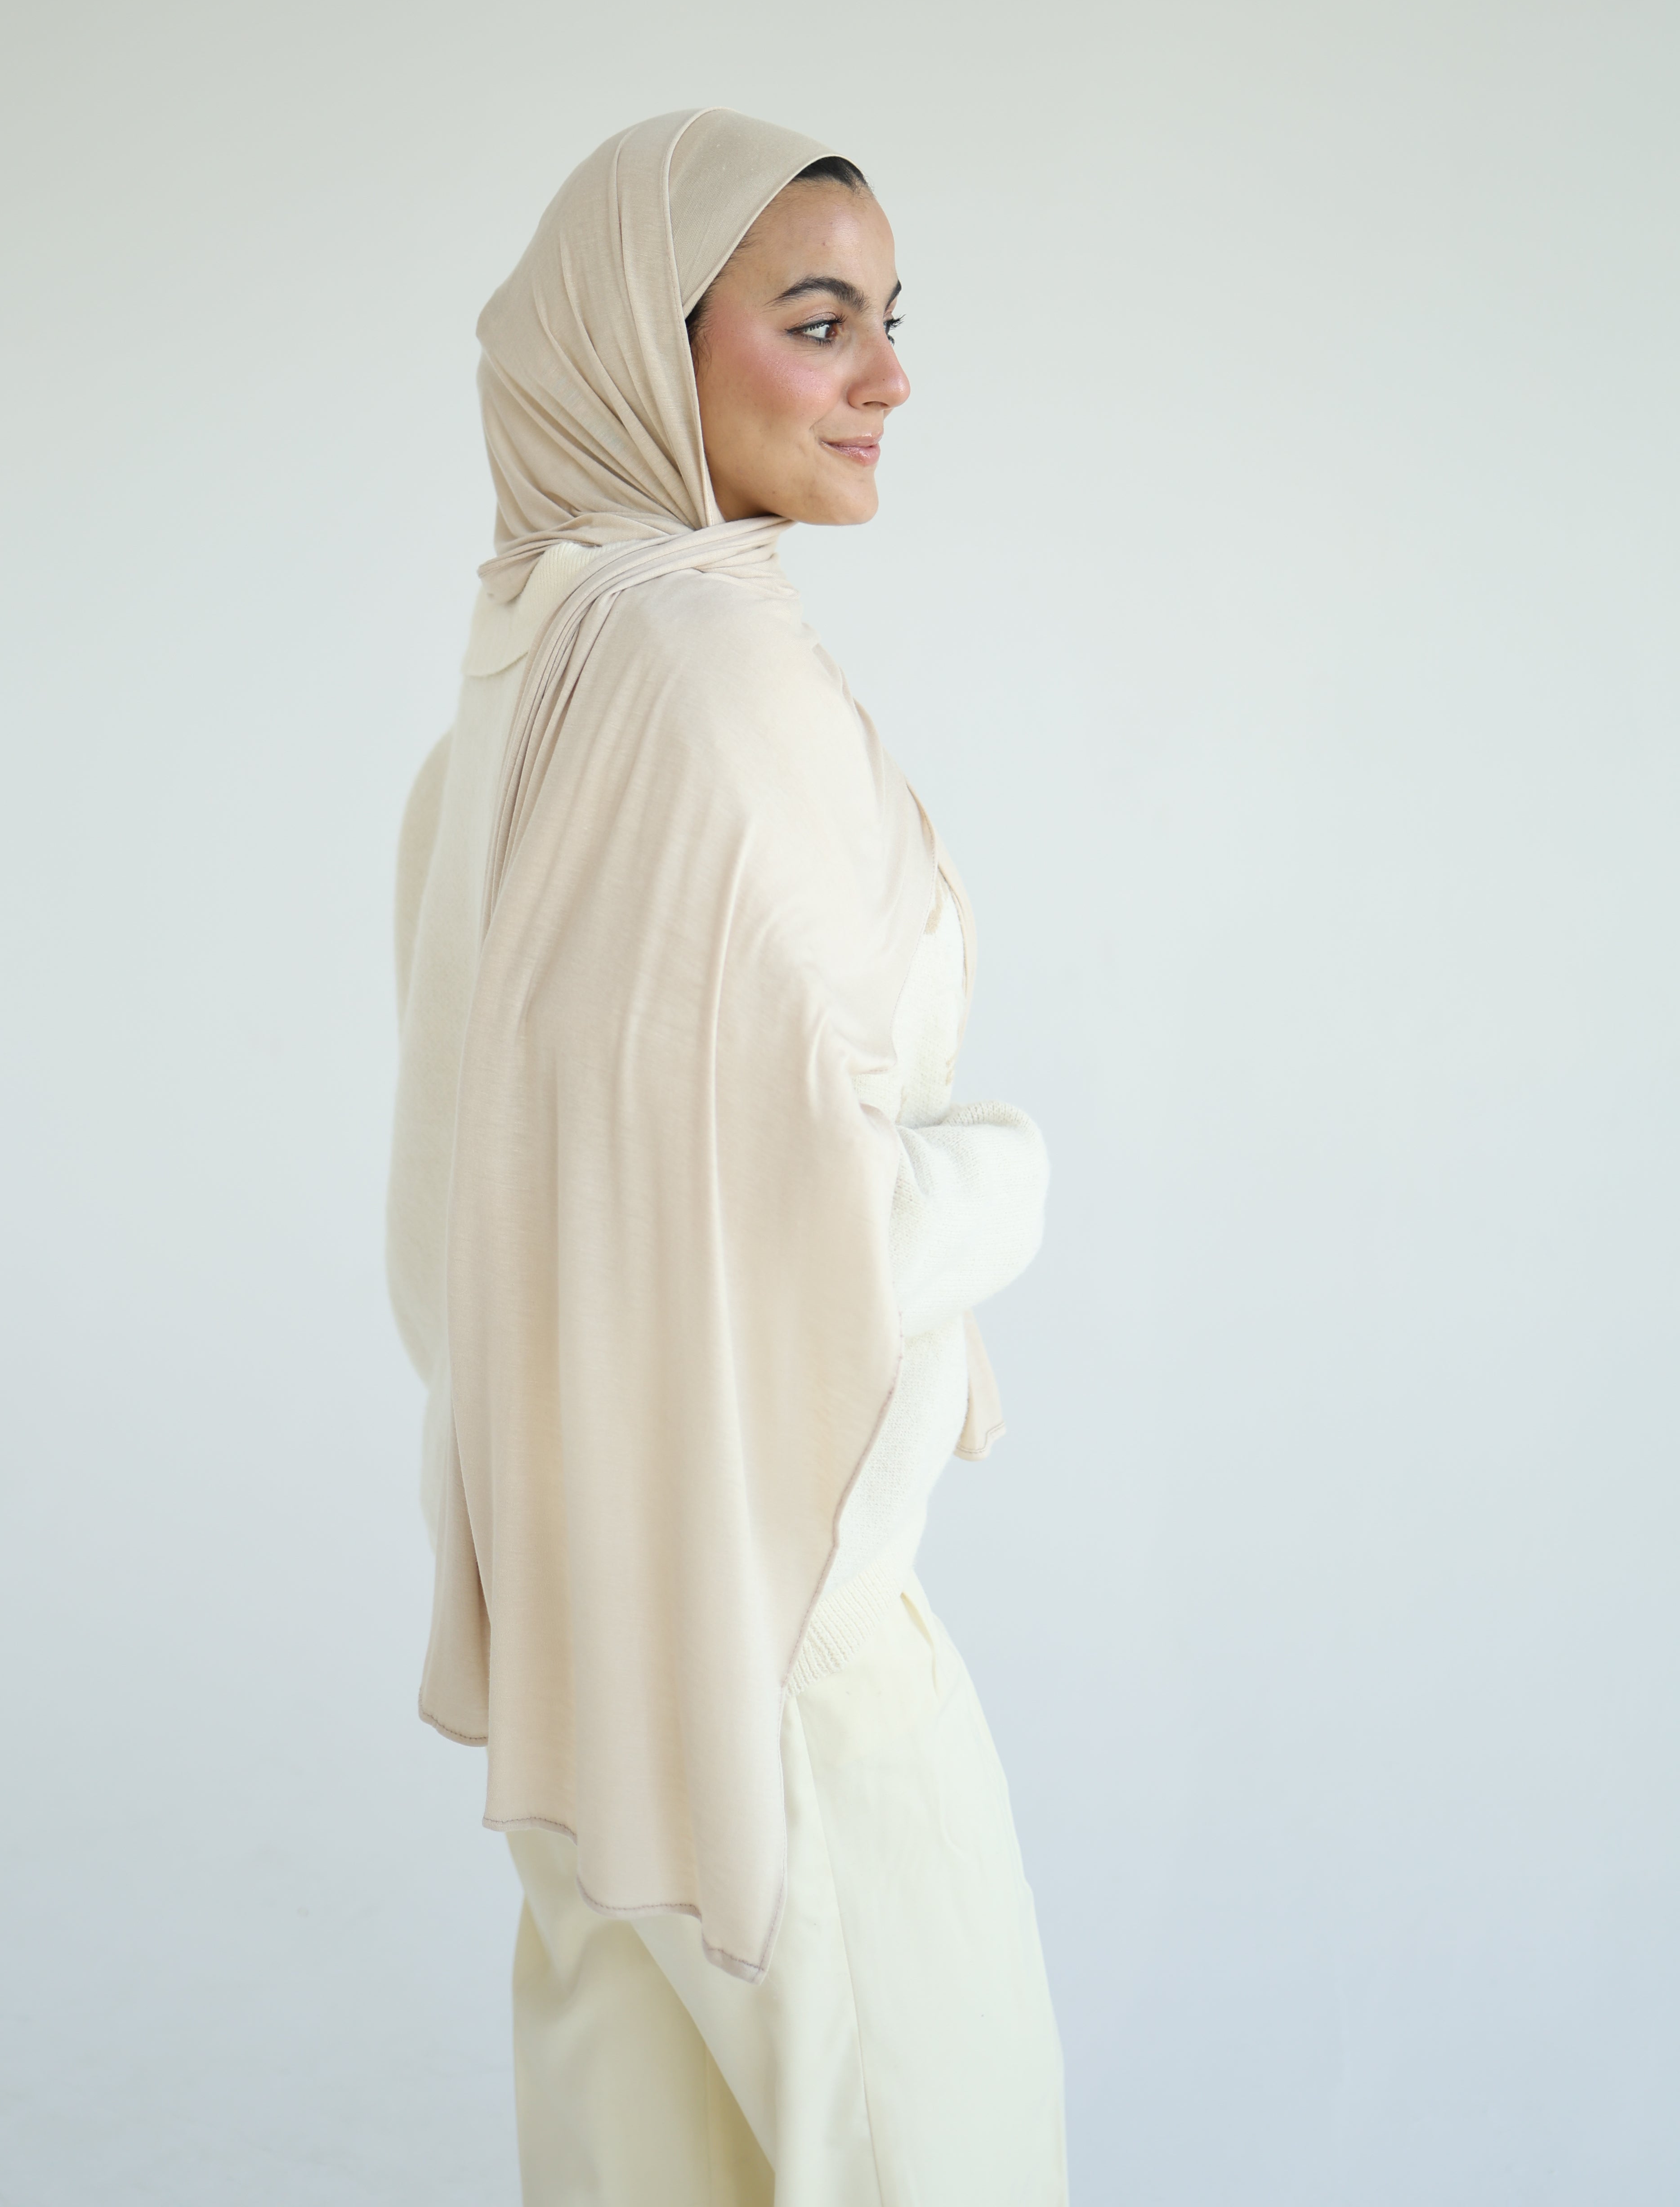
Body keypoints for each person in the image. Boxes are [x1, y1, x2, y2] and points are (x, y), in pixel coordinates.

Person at [386, 109, 1066, 2205]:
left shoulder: (526, 666)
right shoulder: (693, 665)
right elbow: (794, 1226)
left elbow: (477, 1206)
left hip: (590, 1621)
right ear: (644, 345)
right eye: (818, 321)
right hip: (775, 1630)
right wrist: (1009, 1174)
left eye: (890, 320)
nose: (890, 377)